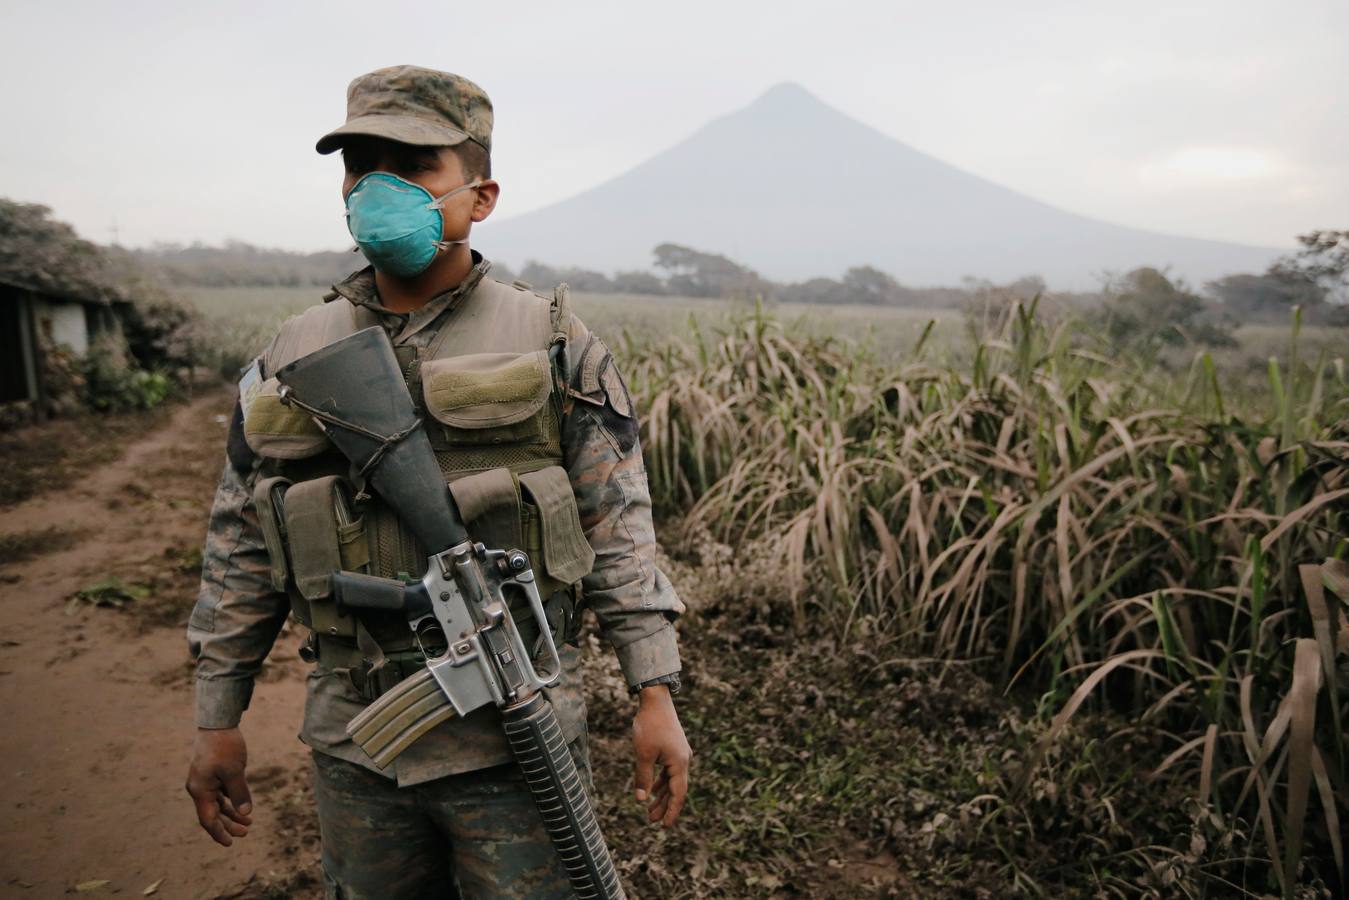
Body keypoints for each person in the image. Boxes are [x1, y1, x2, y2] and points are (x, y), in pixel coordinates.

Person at [184, 65, 691, 899]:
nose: (377, 188)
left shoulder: (555, 342)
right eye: (360, 166)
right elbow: (239, 542)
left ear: (480, 196)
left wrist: (655, 689)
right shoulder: (288, 353)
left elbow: (617, 528)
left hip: (511, 736)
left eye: (414, 167)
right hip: (355, 741)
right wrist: (217, 715)